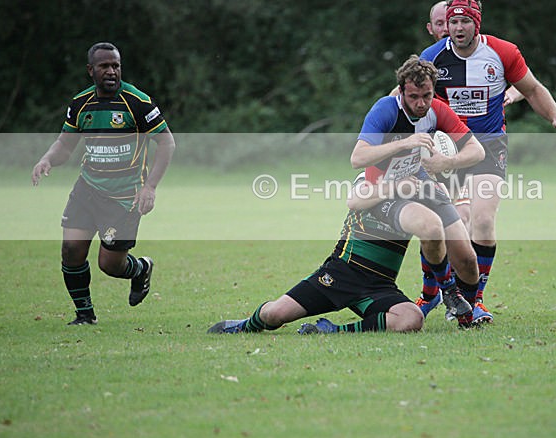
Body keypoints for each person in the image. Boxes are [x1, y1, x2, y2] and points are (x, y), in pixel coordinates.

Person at [207, 55, 485, 335]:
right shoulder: (375, 166)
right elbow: (356, 173)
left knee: (415, 314)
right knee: (275, 314)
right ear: (401, 91)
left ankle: (454, 303)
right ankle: (243, 326)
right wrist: (403, 159)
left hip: (379, 286)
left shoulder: (432, 125)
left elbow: (475, 151)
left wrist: (445, 165)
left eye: (426, 96)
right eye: (414, 96)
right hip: (341, 275)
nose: (421, 103)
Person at [418, 0, 556, 324]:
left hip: (489, 146)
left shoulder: (502, 52)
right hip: (446, 148)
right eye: (452, 21)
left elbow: (532, 89)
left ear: (476, 24)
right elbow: (408, 97)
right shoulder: (432, 57)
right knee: (448, 225)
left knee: (484, 222)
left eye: (464, 21)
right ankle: (435, 294)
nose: (457, 27)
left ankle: (473, 301)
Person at [31, 42, 176, 325]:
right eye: (104, 66)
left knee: (110, 265)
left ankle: (141, 268)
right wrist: (47, 159)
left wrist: (150, 187)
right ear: (91, 70)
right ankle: (85, 315)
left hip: (125, 196)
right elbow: (64, 144)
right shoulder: (81, 104)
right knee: (71, 249)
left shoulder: (137, 101)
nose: (111, 71)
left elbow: (167, 143)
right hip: (88, 188)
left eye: (116, 66)